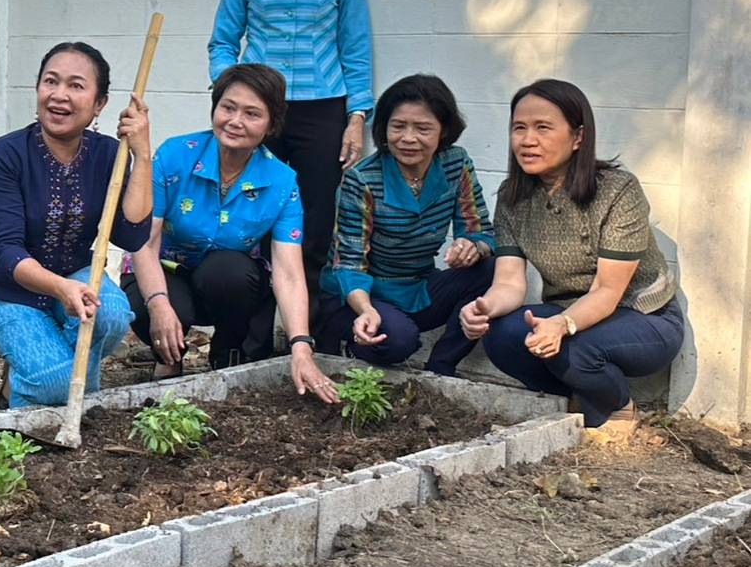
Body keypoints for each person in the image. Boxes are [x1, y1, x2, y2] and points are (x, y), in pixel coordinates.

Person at [462, 79, 683, 437]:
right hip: (572, 312)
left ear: (578, 137)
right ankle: (581, 399)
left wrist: (562, 325)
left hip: (645, 318)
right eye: (519, 128)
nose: (527, 140)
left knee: (575, 346)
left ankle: (620, 412)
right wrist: (484, 308)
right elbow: (509, 282)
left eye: (543, 128)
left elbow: (608, 291)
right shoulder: (512, 197)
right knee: (502, 335)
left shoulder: (617, 189)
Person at [208, 0, 374, 311]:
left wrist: (357, 117)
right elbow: (222, 40)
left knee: (315, 225)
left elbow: (354, 47)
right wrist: (232, 92)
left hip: (324, 110)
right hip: (260, 112)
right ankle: (248, 339)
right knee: (251, 215)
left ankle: (307, 338)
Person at [124, 64, 339, 403]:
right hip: (163, 273)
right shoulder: (175, 155)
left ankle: (226, 357)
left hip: (226, 283)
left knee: (229, 271)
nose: (236, 121)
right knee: (159, 308)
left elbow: (289, 272)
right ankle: (168, 362)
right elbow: (144, 241)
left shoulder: (281, 181)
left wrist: (301, 346)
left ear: (271, 125)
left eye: (252, 113)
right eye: (228, 107)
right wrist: (160, 306)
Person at [0, 42, 152, 408]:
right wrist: (61, 288)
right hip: (7, 292)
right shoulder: (6, 154)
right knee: (56, 381)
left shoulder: (106, 154)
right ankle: (26, 394)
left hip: (75, 276)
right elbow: (5, 251)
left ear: (100, 104)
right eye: (50, 82)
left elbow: (131, 234)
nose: (59, 95)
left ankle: (55, 381)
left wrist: (142, 154)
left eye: (76, 86)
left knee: (112, 314)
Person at [315, 74, 496, 375]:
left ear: (444, 131)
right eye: (398, 126)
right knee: (399, 340)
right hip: (359, 297)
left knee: (493, 269)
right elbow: (348, 265)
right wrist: (367, 310)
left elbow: (480, 230)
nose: (408, 138)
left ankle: (442, 366)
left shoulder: (456, 163)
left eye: (423, 128)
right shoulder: (363, 178)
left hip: (418, 288)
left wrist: (472, 246)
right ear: (384, 129)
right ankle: (355, 345)